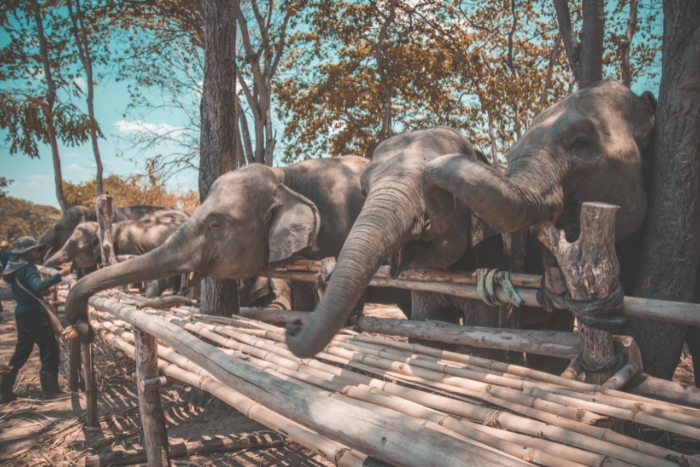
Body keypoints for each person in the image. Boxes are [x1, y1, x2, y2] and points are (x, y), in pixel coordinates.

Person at [0, 237, 70, 403]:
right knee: (49, 349)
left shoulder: (15, 269)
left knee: (21, 352)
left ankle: (4, 391)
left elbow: (28, 290)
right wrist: (59, 275)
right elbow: (37, 286)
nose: (35, 252)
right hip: (35, 314)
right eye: (32, 250)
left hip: (22, 313)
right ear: (26, 253)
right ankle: (50, 391)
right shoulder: (28, 268)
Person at [0, 240, 11, 315]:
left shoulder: (9, 253)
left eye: (6, 247)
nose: (5, 249)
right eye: (4, 247)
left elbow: (10, 260)